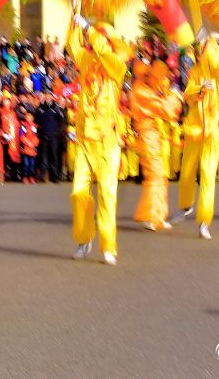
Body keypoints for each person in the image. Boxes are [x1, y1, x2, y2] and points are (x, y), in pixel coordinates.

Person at [68, 16, 130, 266]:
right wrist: (73, 18)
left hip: (107, 142)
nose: (94, 41)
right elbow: (73, 45)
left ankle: (108, 246)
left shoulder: (116, 65)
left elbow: (104, 50)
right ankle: (84, 240)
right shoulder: (86, 60)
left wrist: (87, 27)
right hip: (85, 140)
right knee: (78, 193)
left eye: (100, 37)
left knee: (107, 194)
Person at [174, 38, 219, 240]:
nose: (206, 52)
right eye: (205, 48)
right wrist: (199, 89)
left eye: (210, 48)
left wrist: (214, 47)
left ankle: (204, 221)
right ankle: (186, 205)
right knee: (187, 171)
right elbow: (188, 93)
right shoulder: (195, 71)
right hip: (194, 128)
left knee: (207, 175)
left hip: (213, 131)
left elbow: (217, 65)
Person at [130, 59, 182, 231]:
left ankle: (157, 216)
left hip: (153, 135)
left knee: (159, 175)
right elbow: (166, 110)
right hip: (147, 136)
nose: (156, 80)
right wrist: (175, 97)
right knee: (155, 174)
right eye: (150, 75)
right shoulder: (141, 91)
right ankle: (153, 216)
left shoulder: (144, 88)